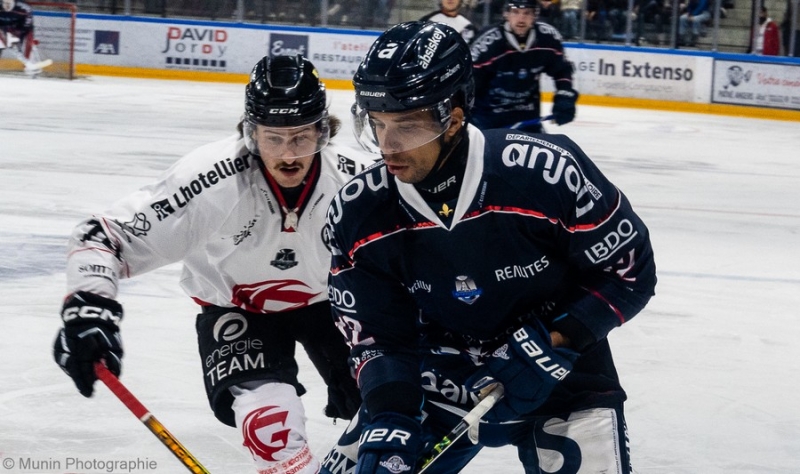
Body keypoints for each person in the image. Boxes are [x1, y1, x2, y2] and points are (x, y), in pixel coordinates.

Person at [320, 20, 656, 474]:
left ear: (454, 117)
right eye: (376, 124)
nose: (387, 146)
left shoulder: (544, 172)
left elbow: (630, 270)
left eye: (407, 125)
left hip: (564, 370)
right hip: (434, 372)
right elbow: (377, 333)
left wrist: (558, 340)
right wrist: (391, 414)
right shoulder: (360, 213)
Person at [52, 54, 373, 474]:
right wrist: (89, 309)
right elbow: (106, 236)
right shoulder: (209, 179)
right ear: (250, 132)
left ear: (324, 131)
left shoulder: (358, 179)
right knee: (270, 432)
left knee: (391, 407)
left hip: (335, 305)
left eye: (302, 137)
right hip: (237, 310)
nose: (288, 154)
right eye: (272, 138)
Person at [469, 0, 578, 133]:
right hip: (487, 118)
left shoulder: (548, 38)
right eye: (515, 12)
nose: (521, 18)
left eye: (527, 13)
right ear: (506, 14)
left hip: (527, 116)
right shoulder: (486, 44)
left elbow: (562, 70)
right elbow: (469, 81)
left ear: (535, 15)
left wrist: (564, 97)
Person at [0, 0, 48, 74]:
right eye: (5, 3)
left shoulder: (24, 8)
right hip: (4, 28)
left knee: (21, 45)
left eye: (9, 3)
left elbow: (27, 23)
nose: (7, 6)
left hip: (20, 29)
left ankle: (29, 64)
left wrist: (17, 33)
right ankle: (29, 65)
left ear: (14, 2)